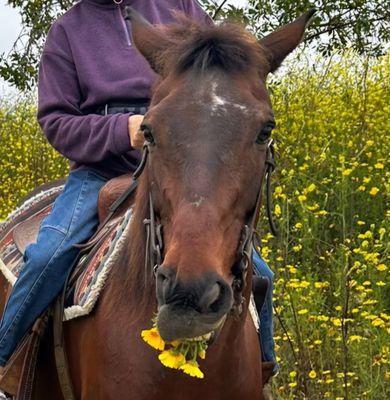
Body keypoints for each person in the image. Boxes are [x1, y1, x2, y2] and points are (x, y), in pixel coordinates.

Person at [0, 0, 276, 382]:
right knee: (49, 255)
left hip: (180, 169)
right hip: (99, 173)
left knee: (259, 272)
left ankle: (262, 371)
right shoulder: (67, 31)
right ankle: (6, 365)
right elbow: (56, 121)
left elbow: (220, 81)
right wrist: (121, 130)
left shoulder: (180, 7)